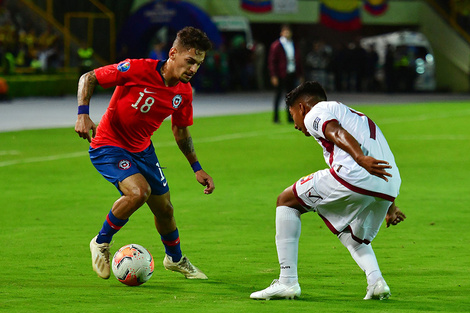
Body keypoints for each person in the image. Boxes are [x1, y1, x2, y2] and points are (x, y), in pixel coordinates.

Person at [74, 26, 215, 281]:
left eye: (199, 64)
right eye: (190, 61)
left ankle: (174, 259)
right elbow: (88, 77)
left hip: (143, 149)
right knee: (139, 192)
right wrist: (83, 113)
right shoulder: (137, 69)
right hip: (109, 144)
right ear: (173, 53)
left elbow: (181, 132)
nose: (194, 69)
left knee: (165, 210)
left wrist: (197, 168)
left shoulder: (183, 93)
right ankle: (101, 242)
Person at [250, 81, 406, 300]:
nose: (295, 124)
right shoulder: (356, 116)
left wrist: (359, 158)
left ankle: (287, 282)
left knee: (286, 201)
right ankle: (376, 281)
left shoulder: (317, 112)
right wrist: (391, 206)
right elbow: (383, 156)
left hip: (356, 173)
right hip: (387, 185)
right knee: (351, 236)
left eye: (292, 114)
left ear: (302, 108)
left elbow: (335, 131)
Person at [268, 24, 304, 124]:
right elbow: (272, 61)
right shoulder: (277, 45)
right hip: (280, 74)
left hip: (291, 72)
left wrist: (300, 74)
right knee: (278, 96)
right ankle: (275, 117)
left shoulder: (293, 44)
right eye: (285, 31)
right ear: (282, 33)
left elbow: (298, 60)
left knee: (291, 97)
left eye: (288, 31)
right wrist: (273, 75)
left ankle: (289, 117)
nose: (287, 33)